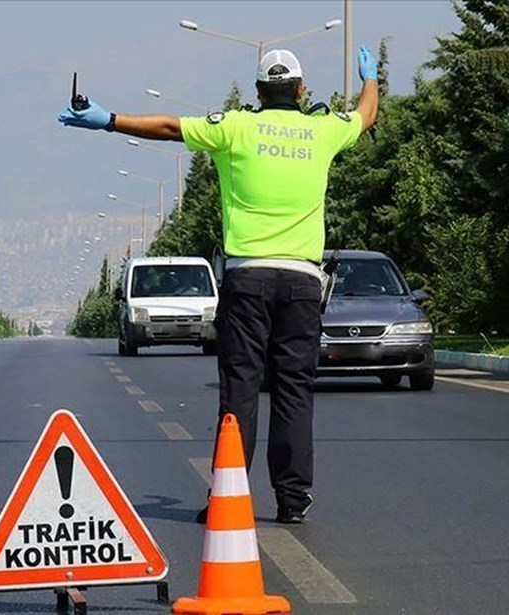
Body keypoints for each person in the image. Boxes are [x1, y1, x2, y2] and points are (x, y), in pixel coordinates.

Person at [58, 45, 379, 523]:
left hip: (247, 280)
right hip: (302, 282)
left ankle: (229, 494)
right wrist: (369, 79)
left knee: (241, 388)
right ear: (301, 89)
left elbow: (169, 128)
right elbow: (365, 116)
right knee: (294, 389)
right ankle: (292, 500)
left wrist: (109, 120)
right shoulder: (323, 131)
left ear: (257, 91)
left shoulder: (235, 127)